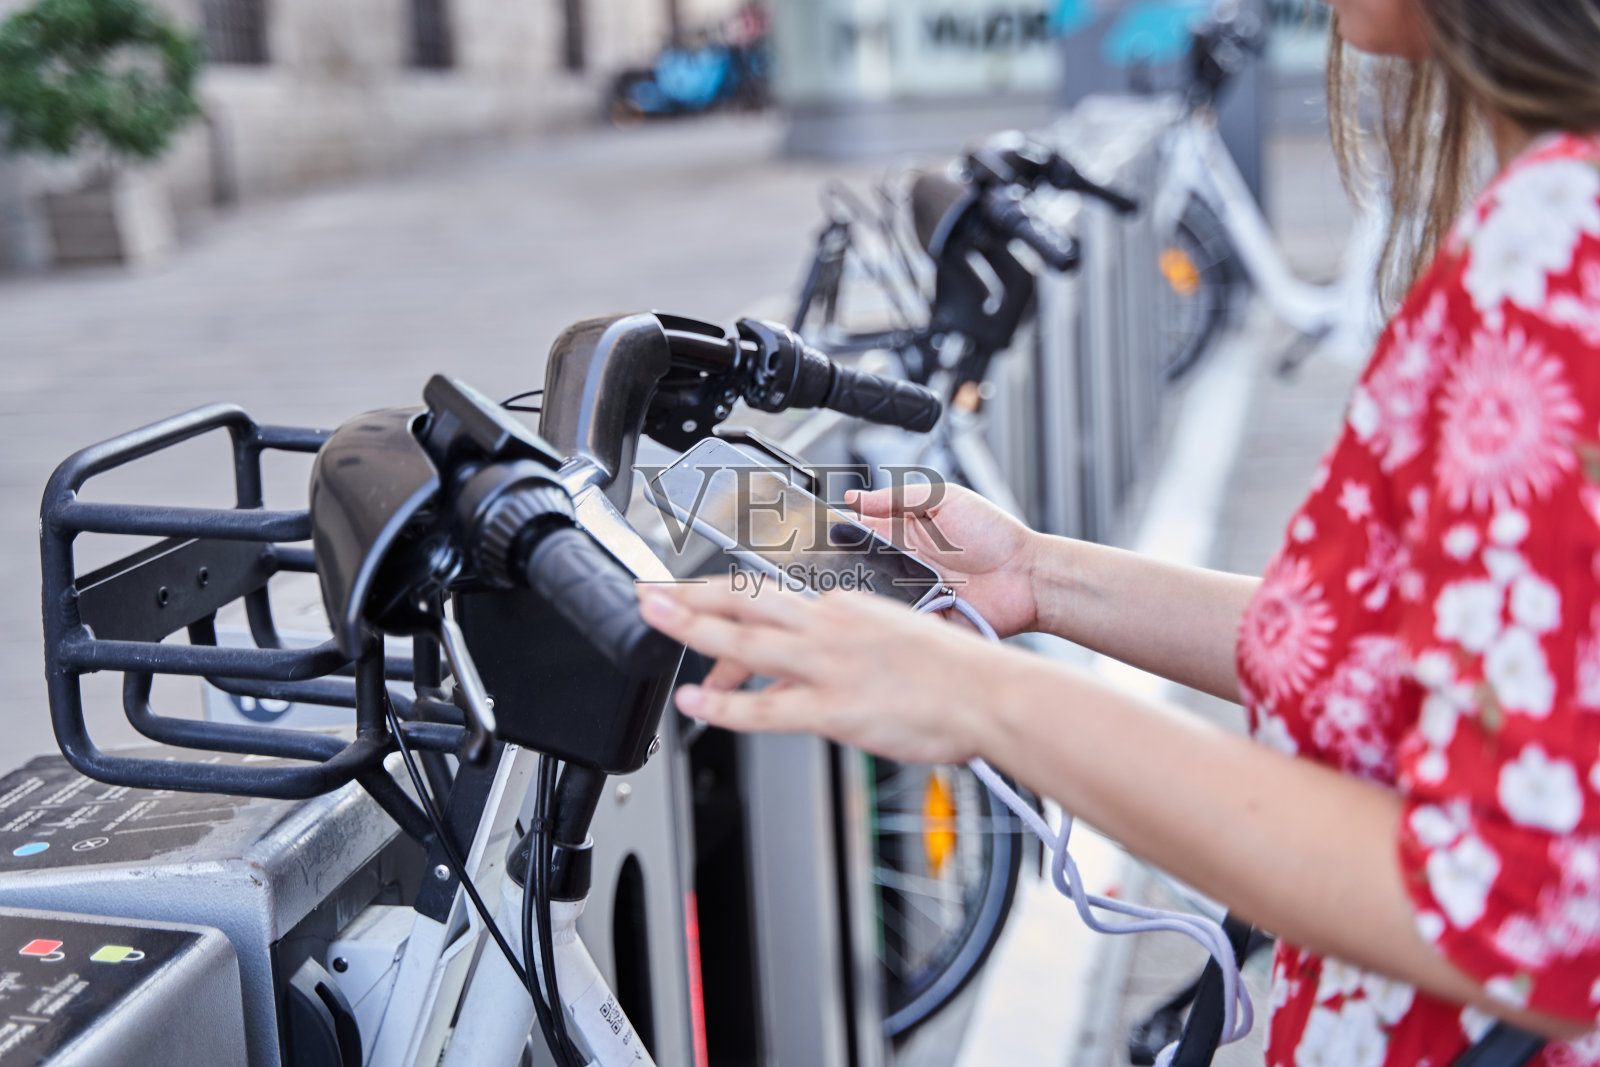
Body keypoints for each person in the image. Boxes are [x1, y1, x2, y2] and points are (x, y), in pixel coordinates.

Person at [639, 0, 1600, 1063]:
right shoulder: (1554, 212)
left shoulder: (1555, 237)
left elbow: (1520, 902)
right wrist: (1037, 574)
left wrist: (983, 694)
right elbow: (1394, 658)